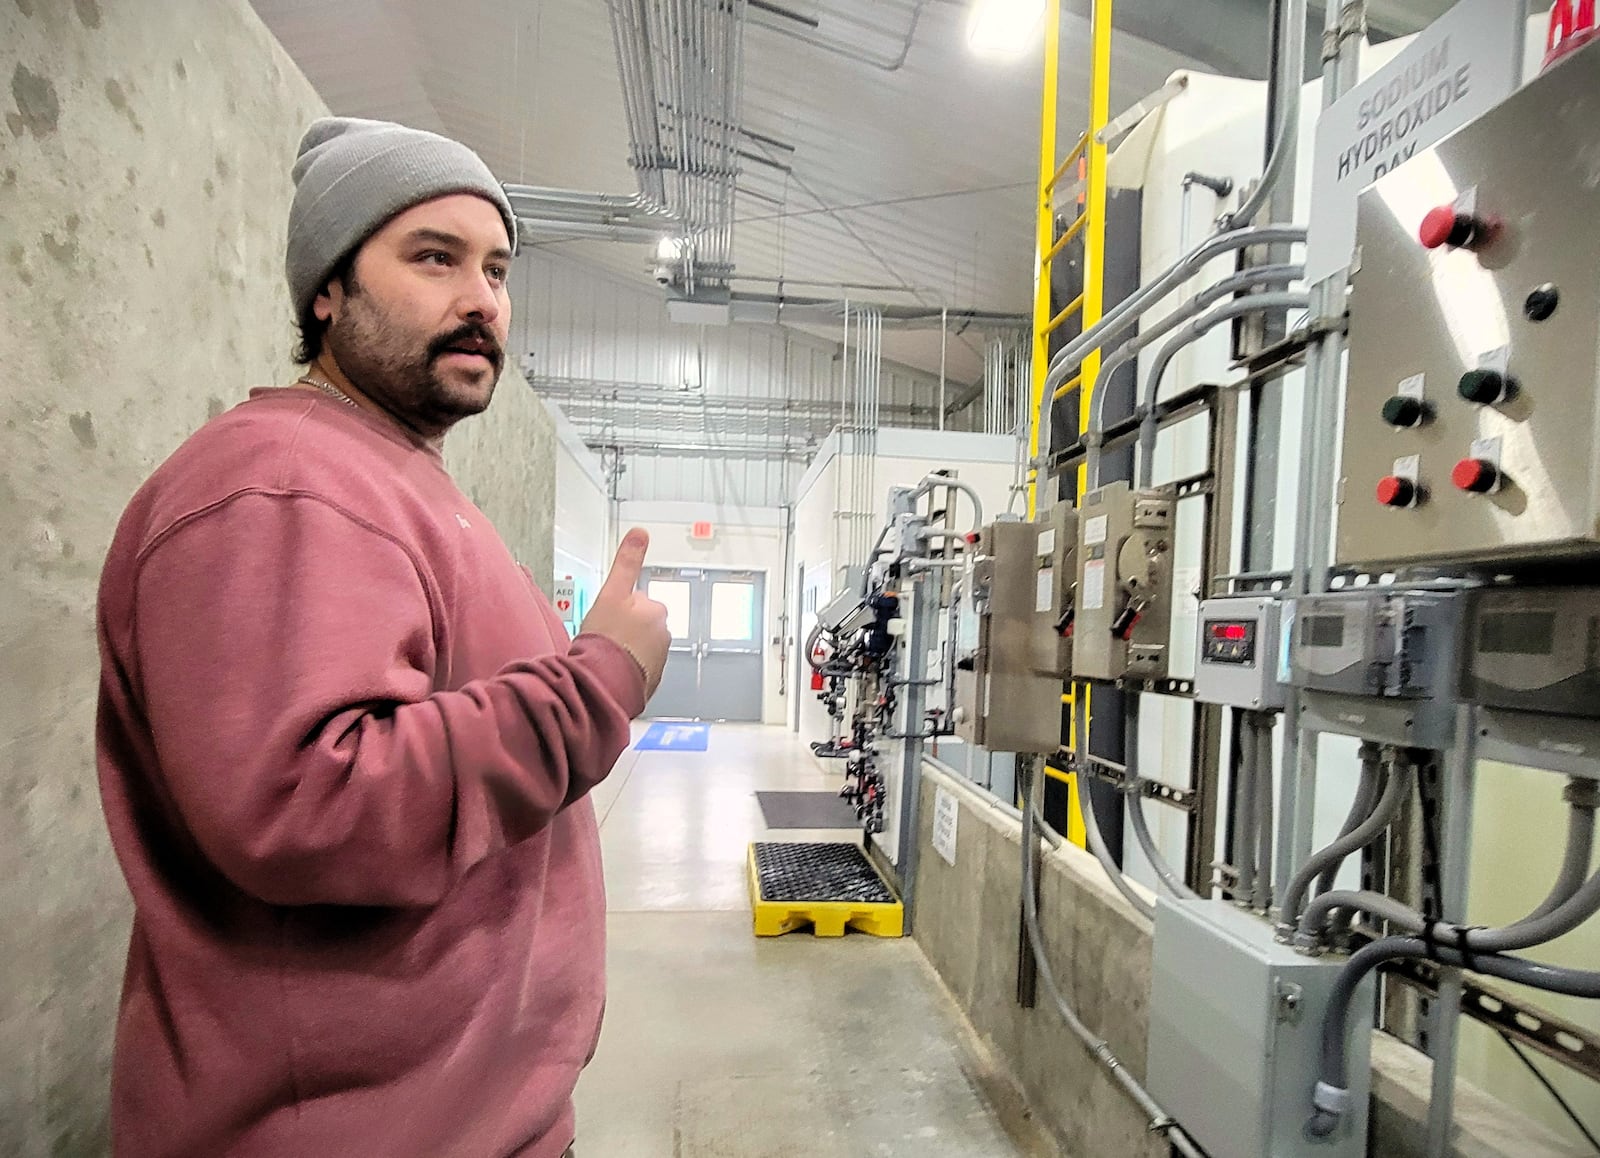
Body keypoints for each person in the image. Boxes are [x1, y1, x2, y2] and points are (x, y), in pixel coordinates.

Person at [95, 117, 670, 1158]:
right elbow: (307, 806)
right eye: (432, 258)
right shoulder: (278, 484)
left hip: (461, 1116)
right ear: (327, 289)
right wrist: (600, 684)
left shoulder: (388, 476)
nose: (480, 300)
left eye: (496, 269)